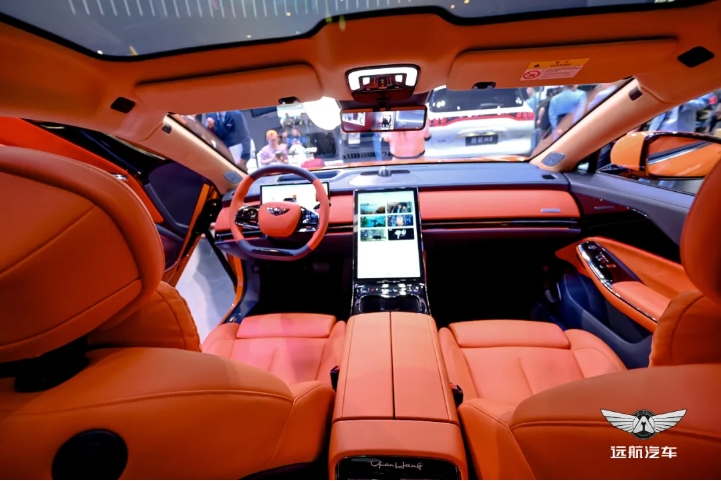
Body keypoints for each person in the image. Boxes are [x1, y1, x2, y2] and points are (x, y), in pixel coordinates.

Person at [648, 93, 714, 132]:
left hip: (681, 125)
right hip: (659, 123)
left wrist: (682, 102)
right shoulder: (668, 80)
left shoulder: (701, 83)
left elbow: (702, 103)